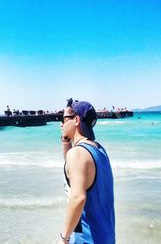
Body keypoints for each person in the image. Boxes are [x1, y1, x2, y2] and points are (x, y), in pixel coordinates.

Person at [59, 98, 115, 244]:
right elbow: (71, 171)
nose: (62, 124)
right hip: (105, 235)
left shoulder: (77, 154)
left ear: (76, 120)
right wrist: (65, 140)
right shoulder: (98, 150)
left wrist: (64, 238)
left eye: (64, 119)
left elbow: (78, 198)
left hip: (86, 239)